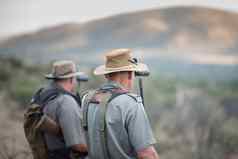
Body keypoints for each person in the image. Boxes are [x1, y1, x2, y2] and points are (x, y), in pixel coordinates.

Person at [82, 49, 159, 159]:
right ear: (129, 74)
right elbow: (147, 154)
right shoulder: (130, 103)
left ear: (107, 75)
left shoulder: (87, 99)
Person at [40, 60, 88, 159]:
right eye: (75, 78)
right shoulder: (66, 102)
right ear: (71, 79)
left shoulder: (45, 96)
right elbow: (77, 144)